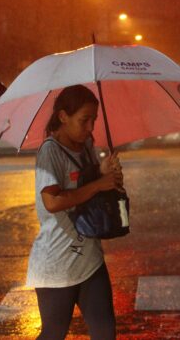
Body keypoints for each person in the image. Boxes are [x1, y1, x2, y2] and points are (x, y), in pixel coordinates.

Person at [27, 85, 124, 340]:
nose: (91, 127)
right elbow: (52, 201)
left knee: (105, 334)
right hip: (57, 265)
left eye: (94, 119)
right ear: (63, 117)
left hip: (90, 259)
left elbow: (88, 188)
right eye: (84, 120)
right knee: (54, 334)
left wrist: (104, 173)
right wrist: (98, 184)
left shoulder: (87, 144)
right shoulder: (50, 152)